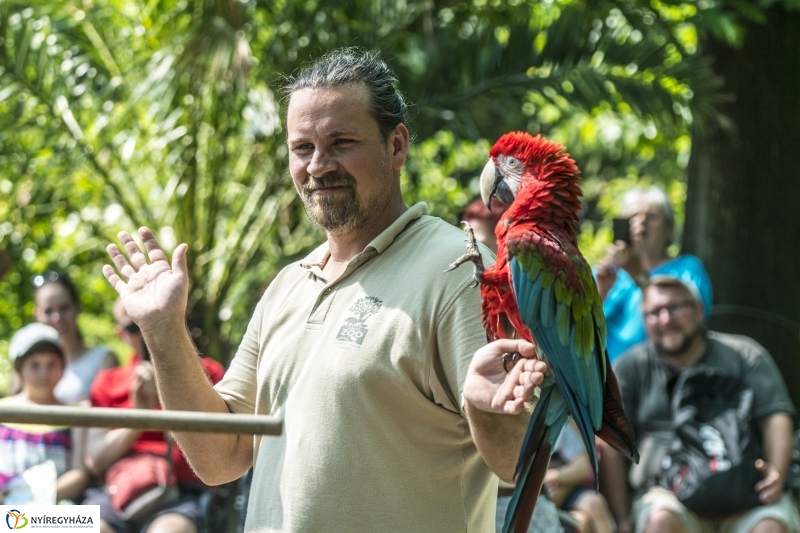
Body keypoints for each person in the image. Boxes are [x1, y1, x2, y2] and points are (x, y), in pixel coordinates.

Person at [101, 47, 547, 532]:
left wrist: (490, 414)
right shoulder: (288, 286)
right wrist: (162, 331)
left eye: (342, 142)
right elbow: (219, 456)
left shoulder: (458, 267)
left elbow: (516, 466)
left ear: (396, 145)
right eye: (302, 148)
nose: (318, 166)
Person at [600, 275, 799, 533]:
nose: (665, 319)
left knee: (770, 527)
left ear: (698, 310)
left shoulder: (745, 354)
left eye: (675, 308)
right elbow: (609, 440)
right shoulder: (629, 367)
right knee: (660, 523)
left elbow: (776, 416)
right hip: (667, 494)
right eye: (654, 313)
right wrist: (622, 519)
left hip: (746, 489)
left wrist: (777, 474)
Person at [82, 299, 225, 533]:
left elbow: (220, 451)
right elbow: (96, 461)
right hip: (115, 491)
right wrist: (140, 417)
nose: (148, 331)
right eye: (134, 327)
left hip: (180, 493)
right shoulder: (107, 383)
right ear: (122, 335)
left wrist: (167, 396)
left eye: (156, 320)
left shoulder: (209, 373)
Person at [594, 186, 713, 361]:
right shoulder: (603, 274)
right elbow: (575, 333)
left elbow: (693, 322)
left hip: (657, 377)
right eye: (632, 217)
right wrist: (600, 292)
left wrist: (637, 274)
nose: (640, 223)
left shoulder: (687, 269)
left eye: (651, 217)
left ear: (669, 229)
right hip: (604, 381)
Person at [0, 323, 90, 504]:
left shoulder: (76, 413)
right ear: (19, 368)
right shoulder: (3, 410)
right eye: (35, 365)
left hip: (55, 507)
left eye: (51, 364)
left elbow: (79, 473)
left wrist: (36, 496)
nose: (44, 373)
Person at [32, 271, 117, 403]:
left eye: (64, 308)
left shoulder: (103, 358)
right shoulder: (28, 362)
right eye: (48, 311)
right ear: (37, 315)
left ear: (78, 307)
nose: (57, 318)